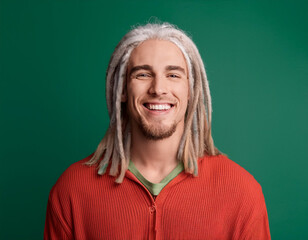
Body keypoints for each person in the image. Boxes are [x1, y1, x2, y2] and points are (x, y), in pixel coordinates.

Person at [44, 23, 271, 240]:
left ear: (191, 90)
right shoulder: (72, 190)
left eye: (173, 75)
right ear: (122, 89)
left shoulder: (242, 192)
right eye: (142, 74)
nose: (158, 89)